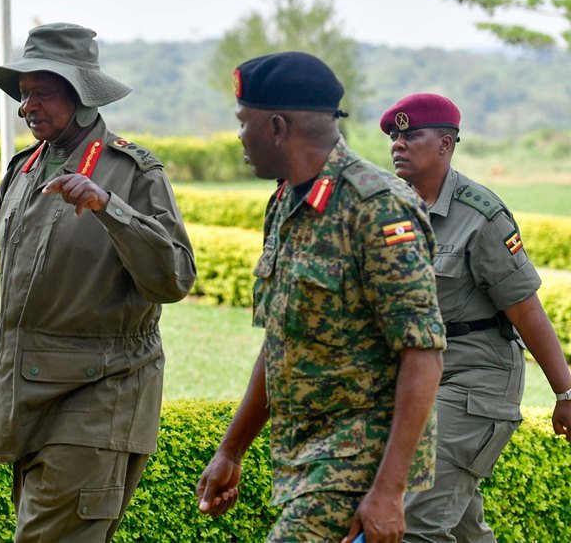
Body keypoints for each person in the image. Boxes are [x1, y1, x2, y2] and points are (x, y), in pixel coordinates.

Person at [196, 52, 447, 543]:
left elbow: (423, 352)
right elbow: (281, 343)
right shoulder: (286, 202)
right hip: (302, 461)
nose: (238, 137)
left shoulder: (376, 208)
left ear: (275, 127)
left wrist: (389, 491)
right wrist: (231, 450)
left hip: (356, 466)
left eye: (242, 123)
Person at [0, 22, 197, 542]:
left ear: (81, 97)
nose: (28, 106)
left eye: (43, 92)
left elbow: (174, 277)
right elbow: (16, 294)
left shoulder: (131, 171)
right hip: (30, 395)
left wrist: (108, 207)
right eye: (23, 93)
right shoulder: (23, 170)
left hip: (99, 397)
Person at [379, 93, 571, 542]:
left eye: (411, 134)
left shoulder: (480, 216)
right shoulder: (389, 209)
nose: (398, 144)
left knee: (417, 523)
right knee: (462, 528)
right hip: (414, 379)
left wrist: (565, 391)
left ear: (446, 144)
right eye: (394, 135)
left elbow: (525, 308)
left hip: (474, 379)